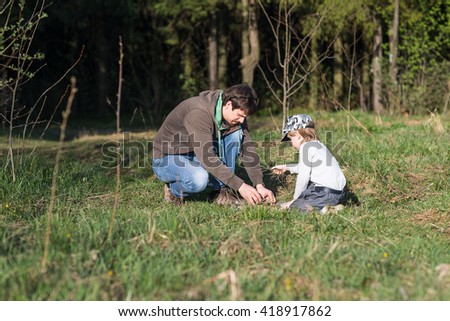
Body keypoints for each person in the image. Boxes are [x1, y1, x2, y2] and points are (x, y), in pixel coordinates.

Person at [152, 84, 275, 205]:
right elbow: (207, 157)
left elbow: (247, 150)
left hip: (196, 152)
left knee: (236, 133)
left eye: (245, 117)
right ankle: (174, 190)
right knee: (199, 179)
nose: (242, 121)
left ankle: (221, 191)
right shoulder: (198, 113)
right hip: (167, 158)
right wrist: (241, 186)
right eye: (240, 116)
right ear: (228, 105)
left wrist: (259, 184)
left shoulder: (235, 112)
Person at [271, 114, 348, 213]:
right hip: (341, 193)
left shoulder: (305, 147)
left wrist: (294, 199)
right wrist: (286, 167)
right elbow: (308, 167)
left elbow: (303, 177)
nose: (291, 144)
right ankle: (334, 205)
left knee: (295, 208)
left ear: (298, 136)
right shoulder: (318, 144)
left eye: (291, 139)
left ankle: (325, 211)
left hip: (326, 193)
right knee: (309, 190)